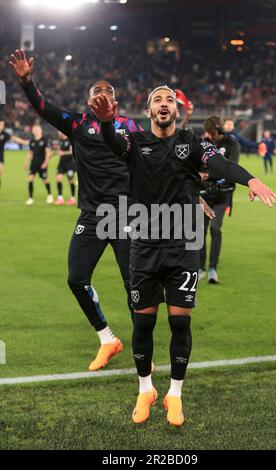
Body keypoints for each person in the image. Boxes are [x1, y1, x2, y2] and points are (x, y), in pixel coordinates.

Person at [90, 85, 276, 426]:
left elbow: (220, 164)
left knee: (180, 322)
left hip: (183, 246)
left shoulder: (192, 143)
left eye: (170, 101)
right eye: (157, 101)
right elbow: (113, 144)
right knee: (143, 323)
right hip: (144, 245)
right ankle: (145, 388)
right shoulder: (135, 142)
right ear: (148, 112)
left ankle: (174, 394)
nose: (164, 105)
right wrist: (105, 123)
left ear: (177, 111)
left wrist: (250, 180)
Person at [9, 48, 142, 370]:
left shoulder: (131, 126)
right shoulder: (77, 123)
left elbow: (151, 162)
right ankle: (108, 339)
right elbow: (43, 107)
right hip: (93, 216)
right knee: (76, 278)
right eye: (96, 93)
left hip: (126, 214)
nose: (101, 96)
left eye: (107, 93)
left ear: (116, 103)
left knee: (134, 286)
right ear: (88, 101)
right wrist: (27, 82)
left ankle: (143, 347)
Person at [198, 116, 240, 283]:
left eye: (213, 133)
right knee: (200, 231)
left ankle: (213, 268)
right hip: (203, 194)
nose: (210, 137)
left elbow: (231, 169)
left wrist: (208, 175)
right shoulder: (202, 143)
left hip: (223, 194)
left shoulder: (231, 144)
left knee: (215, 229)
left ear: (219, 131)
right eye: (208, 133)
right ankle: (200, 268)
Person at [23, 123, 53, 205]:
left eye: (37, 129)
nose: (36, 131)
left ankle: (50, 195)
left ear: (41, 130)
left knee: (45, 180)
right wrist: (26, 163)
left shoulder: (44, 140)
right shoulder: (32, 141)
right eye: (34, 130)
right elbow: (30, 153)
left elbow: (47, 153)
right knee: (30, 179)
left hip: (42, 164)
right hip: (33, 164)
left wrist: (45, 162)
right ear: (32, 131)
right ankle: (30, 198)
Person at [0, 119, 31, 190]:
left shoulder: (5, 134)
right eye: (0, 124)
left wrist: (25, 142)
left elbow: (15, 139)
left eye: (2, 125)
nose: (1, 126)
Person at [54, 131, 76, 206]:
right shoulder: (61, 141)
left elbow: (72, 152)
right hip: (62, 163)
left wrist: (62, 153)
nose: (59, 133)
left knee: (71, 181)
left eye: (60, 132)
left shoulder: (70, 140)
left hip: (69, 164)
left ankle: (73, 198)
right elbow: (59, 151)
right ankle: (60, 198)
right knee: (58, 178)